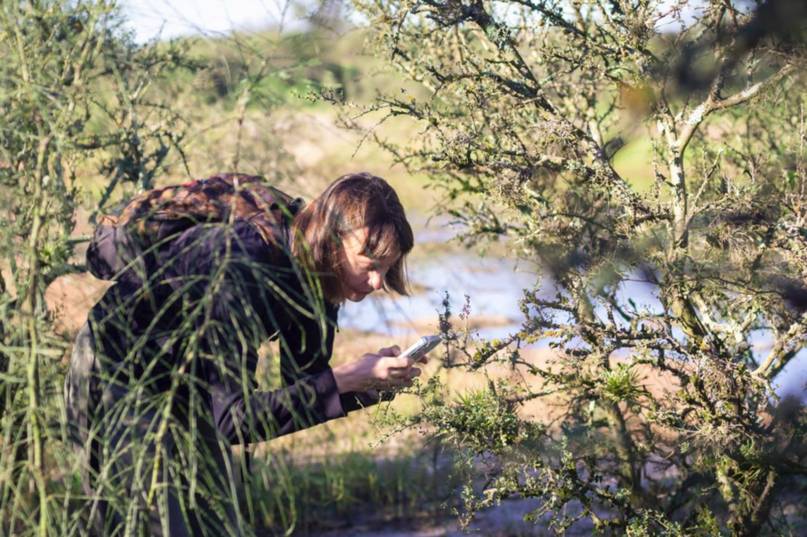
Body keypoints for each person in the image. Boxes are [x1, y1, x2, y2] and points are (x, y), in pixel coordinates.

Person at [65, 172, 422, 536]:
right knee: (150, 526)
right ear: (332, 239)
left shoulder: (322, 277)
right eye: (370, 264)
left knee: (218, 526)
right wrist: (345, 378)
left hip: (191, 388)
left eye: (386, 268)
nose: (378, 282)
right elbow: (233, 419)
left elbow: (305, 388)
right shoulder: (243, 263)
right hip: (118, 375)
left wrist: (370, 384)